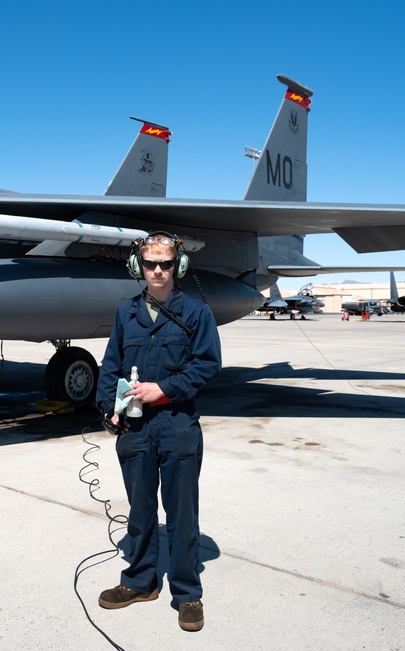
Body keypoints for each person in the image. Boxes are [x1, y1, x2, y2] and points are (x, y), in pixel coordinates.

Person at [95, 232, 222, 632]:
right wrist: (108, 409)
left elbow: (207, 364)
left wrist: (163, 389)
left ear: (177, 266)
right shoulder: (126, 313)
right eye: (150, 263)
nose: (157, 271)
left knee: (182, 513)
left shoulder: (197, 313)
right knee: (141, 509)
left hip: (177, 425)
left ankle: (187, 594)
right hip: (135, 427)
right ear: (139, 266)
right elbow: (110, 365)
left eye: (165, 263)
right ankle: (140, 582)